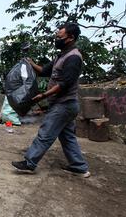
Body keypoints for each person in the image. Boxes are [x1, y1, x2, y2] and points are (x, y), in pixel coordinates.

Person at [11, 22, 91, 178]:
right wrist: (29, 61)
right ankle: (79, 167)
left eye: (59, 36)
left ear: (70, 38)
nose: (56, 38)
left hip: (64, 104)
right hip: (64, 104)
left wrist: (43, 96)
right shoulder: (61, 56)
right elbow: (43, 71)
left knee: (46, 133)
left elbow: (64, 84)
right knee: (67, 137)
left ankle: (29, 163)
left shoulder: (73, 57)